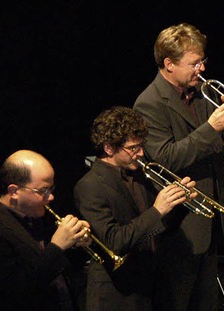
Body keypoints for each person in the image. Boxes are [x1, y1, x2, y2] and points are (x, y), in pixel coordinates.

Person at [133, 23, 224, 311]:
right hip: (178, 227)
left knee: (205, 303)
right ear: (169, 64)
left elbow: (222, 146)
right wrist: (212, 127)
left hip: (209, 216)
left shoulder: (200, 95)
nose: (202, 69)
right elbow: (165, 159)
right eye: (194, 63)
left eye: (203, 61)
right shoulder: (148, 103)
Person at [74, 106, 196, 310]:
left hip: (151, 284)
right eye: (133, 148)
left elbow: (157, 231)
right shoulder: (90, 186)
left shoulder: (140, 176)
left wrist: (179, 204)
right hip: (118, 292)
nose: (140, 153)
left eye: (141, 146)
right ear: (109, 148)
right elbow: (114, 241)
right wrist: (158, 210)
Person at [0, 150, 92, 311]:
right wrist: (57, 246)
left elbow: (60, 270)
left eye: (51, 189)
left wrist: (75, 242)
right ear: (14, 191)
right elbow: (16, 289)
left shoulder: (37, 215)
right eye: (42, 191)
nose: (51, 197)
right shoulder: (2, 227)